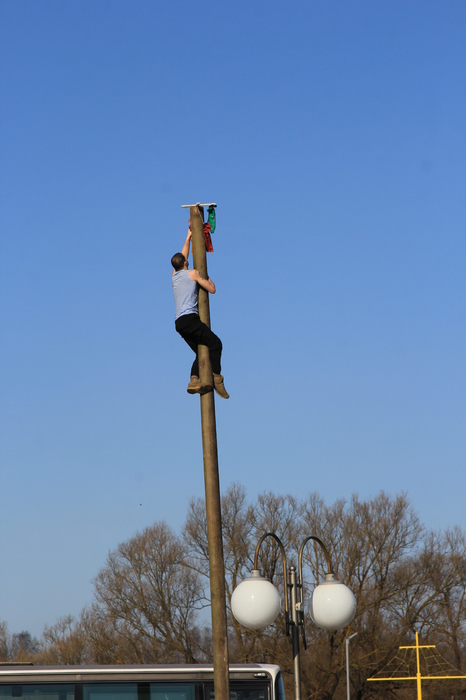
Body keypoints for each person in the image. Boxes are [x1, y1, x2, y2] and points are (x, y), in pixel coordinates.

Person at [171, 229, 229, 399]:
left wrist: (188, 237)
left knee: (201, 350)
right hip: (191, 319)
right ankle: (217, 378)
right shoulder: (193, 274)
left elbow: (182, 255)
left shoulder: (174, 276)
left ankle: (193, 380)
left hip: (179, 323)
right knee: (216, 344)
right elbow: (212, 289)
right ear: (185, 263)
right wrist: (206, 276)